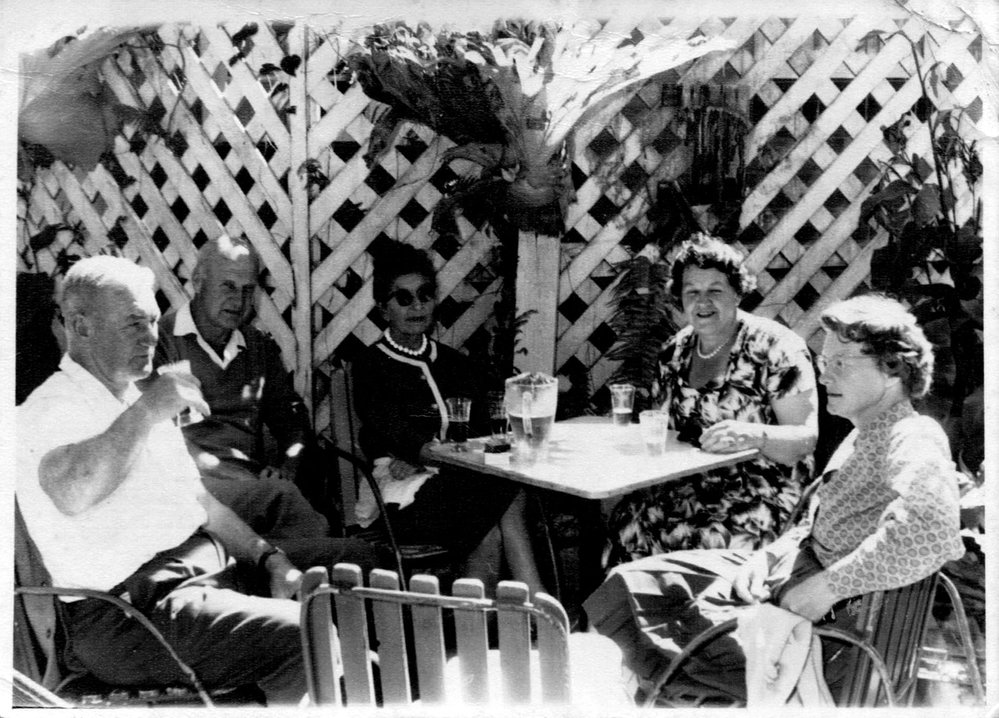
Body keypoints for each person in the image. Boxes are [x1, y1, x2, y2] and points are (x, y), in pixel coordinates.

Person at [584, 294, 965, 702]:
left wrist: (828, 588)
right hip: (793, 584)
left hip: (832, 639)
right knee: (636, 583)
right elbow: (819, 520)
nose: (825, 378)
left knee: (653, 624)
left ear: (892, 370)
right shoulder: (865, 431)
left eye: (841, 364)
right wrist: (769, 554)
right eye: (824, 363)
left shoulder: (912, 435)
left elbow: (931, 529)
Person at [16, 256, 316, 704]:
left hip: (204, 578)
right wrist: (146, 413)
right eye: (134, 323)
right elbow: (73, 492)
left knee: (356, 570)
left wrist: (270, 560)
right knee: (302, 638)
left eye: (154, 321)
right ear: (80, 327)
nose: (151, 336)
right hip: (128, 614)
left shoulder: (133, 399)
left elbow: (206, 507)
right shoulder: (50, 409)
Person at [156, 235, 381, 572]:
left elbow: (290, 414)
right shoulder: (162, 340)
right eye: (228, 286)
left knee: (298, 513)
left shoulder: (256, 346)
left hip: (248, 486)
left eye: (248, 290)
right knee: (302, 518)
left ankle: (266, 564)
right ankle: (288, 566)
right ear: (198, 283)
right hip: (193, 488)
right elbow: (152, 436)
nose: (238, 300)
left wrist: (288, 465)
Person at [604, 234, 819, 567]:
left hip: (762, 490)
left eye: (715, 290)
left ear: (737, 292)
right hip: (691, 486)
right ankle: (643, 618)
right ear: (680, 298)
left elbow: (805, 439)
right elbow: (668, 432)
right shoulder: (674, 352)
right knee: (629, 523)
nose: (703, 302)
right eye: (692, 291)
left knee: (706, 536)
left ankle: (712, 618)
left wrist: (754, 435)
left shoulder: (775, 347)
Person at [350, 241, 547, 596]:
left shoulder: (453, 362)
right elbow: (388, 425)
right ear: (383, 309)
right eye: (404, 298)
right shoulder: (370, 365)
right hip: (402, 498)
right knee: (502, 492)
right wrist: (419, 454)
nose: (418, 305)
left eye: (425, 294)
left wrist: (434, 455)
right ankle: (537, 601)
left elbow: (489, 422)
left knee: (491, 511)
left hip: (457, 482)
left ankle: (480, 624)